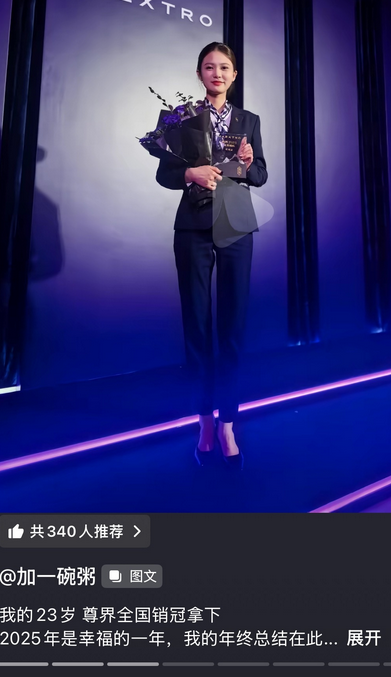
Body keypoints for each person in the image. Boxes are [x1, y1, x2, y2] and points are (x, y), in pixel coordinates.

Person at [156, 42, 268, 469]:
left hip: (236, 224)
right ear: (199, 73)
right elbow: (164, 173)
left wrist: (249, 162)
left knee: (233, 327)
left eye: (224, 67)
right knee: (197, 327)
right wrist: (190, 172)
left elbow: (260, 175)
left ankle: (228, 424)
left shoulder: (249, 120)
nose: (217, 73)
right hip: (193, 227)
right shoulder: (181, 117)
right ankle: (204, 420)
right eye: (209, 67)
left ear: (234, 74)